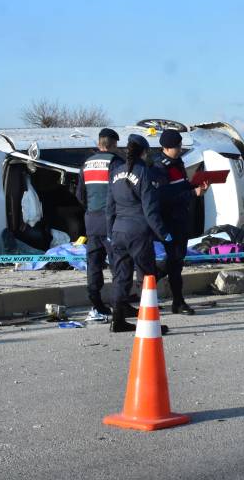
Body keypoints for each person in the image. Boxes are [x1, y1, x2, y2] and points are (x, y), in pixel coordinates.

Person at [106, 134, 173, 334]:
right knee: (147, 278)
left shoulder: (115, 172)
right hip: (138, 233)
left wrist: (111, 232)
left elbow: (109, 207)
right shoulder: (144, 172)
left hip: (118, 231)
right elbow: (150, 210)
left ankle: (117, 320)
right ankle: (150, 324)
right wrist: (163, 234)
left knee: (121, 277)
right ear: (144, 152)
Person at [153, 128, 208, 315]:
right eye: (176, 147)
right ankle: (177, 301)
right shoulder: (160, 168)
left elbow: (181, 186)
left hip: (181, 219)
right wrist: (193, 193)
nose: (179, 149)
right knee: (175, 262)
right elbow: (164, 197)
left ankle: (149, 281)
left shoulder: (178, 164)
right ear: (166, 148)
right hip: (170, 220)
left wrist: (196, 185)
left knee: (177, 260)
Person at [75, 127, 125, 323]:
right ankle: (120, 303)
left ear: (98, 144)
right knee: (118, 263)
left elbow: (80, 195)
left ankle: (96, 303)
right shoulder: (116, 162)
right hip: (111, 220)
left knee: (94, 263)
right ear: (113, 145)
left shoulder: (85, 164)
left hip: (91, 220)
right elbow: (121, 191)